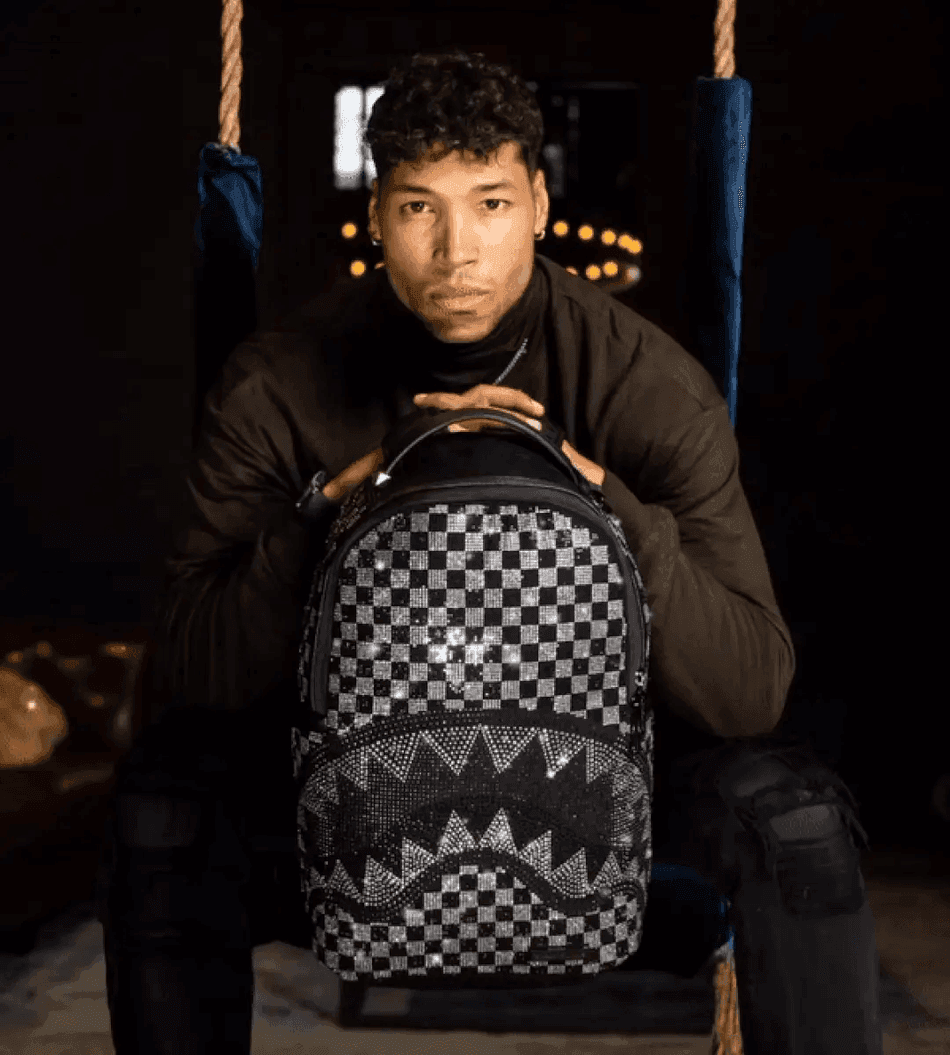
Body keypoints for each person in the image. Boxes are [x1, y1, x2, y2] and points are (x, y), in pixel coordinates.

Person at [96, 47, 884, 1055]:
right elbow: (194, 672)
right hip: (345, 777)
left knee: (796, 822)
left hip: (605, 775)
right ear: (376, 215)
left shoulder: (644, 384)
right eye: (418, 207)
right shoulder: (277, 388)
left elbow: (749, 689)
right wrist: (332, 507)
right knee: (161, 808)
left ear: (540, 205)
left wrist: (601, 503)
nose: (455, 249)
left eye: (491, 203)